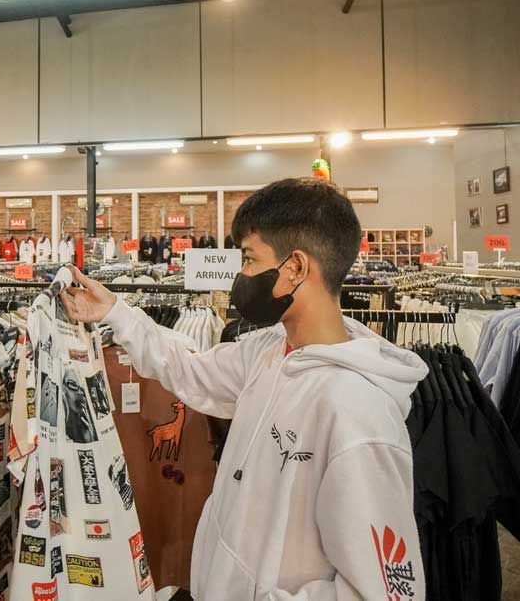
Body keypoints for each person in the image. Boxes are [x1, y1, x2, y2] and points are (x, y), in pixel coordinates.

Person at [61, 178, 427, 600]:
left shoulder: (358, 413)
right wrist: (115, 313)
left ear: (295, 269)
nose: (242, 275)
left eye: (250, 259)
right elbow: (190, 371)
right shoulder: (270, 351)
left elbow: (378, 592)